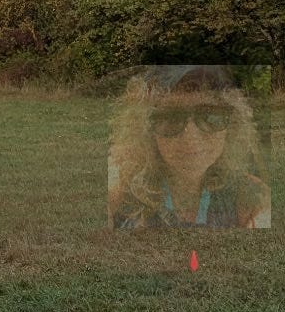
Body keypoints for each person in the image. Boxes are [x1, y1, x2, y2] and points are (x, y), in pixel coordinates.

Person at [108, 65, 271, 228]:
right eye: (170, 117)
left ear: (232, 126)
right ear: (146, 130)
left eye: (210, 115)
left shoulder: (250, 197)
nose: (191, 137)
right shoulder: (119, 198)